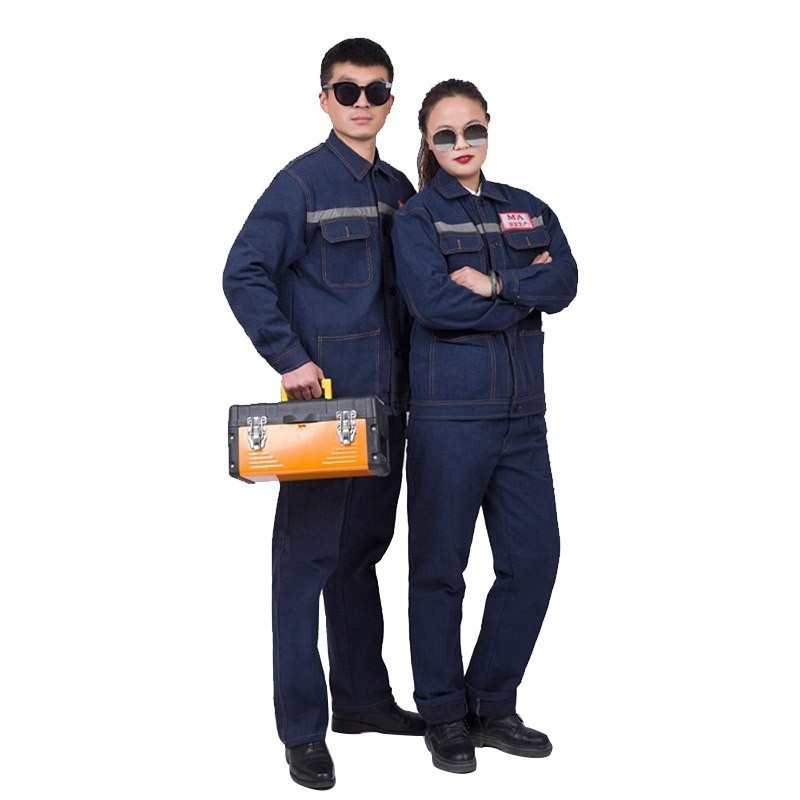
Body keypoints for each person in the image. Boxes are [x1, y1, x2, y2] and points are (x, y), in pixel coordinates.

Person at [222, 38, 423, 791]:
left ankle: (363, 701)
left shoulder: (400, 188)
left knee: (362, 554)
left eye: (376, 90)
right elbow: (243, 271)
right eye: (347, 90)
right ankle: (303, 729)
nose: (361, 102)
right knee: (304, 565)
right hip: (325, 411)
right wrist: (289, 357)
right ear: (324, 99)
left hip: (391, 407)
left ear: (391, 102)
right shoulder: (301, 182)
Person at [391, 79, 578, 774]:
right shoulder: (415, 220)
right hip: (449, 419)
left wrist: (497, 284)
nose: (461, 144)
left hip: (524, 418)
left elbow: (567, 283)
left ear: (489, 128)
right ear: (427, 141)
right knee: (440, 570)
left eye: (472, 130)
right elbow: (434, 305)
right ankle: (443, 713)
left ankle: (492, 705)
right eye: (445, 135)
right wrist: (528, 294)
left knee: (534, 560)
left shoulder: (526, 208)